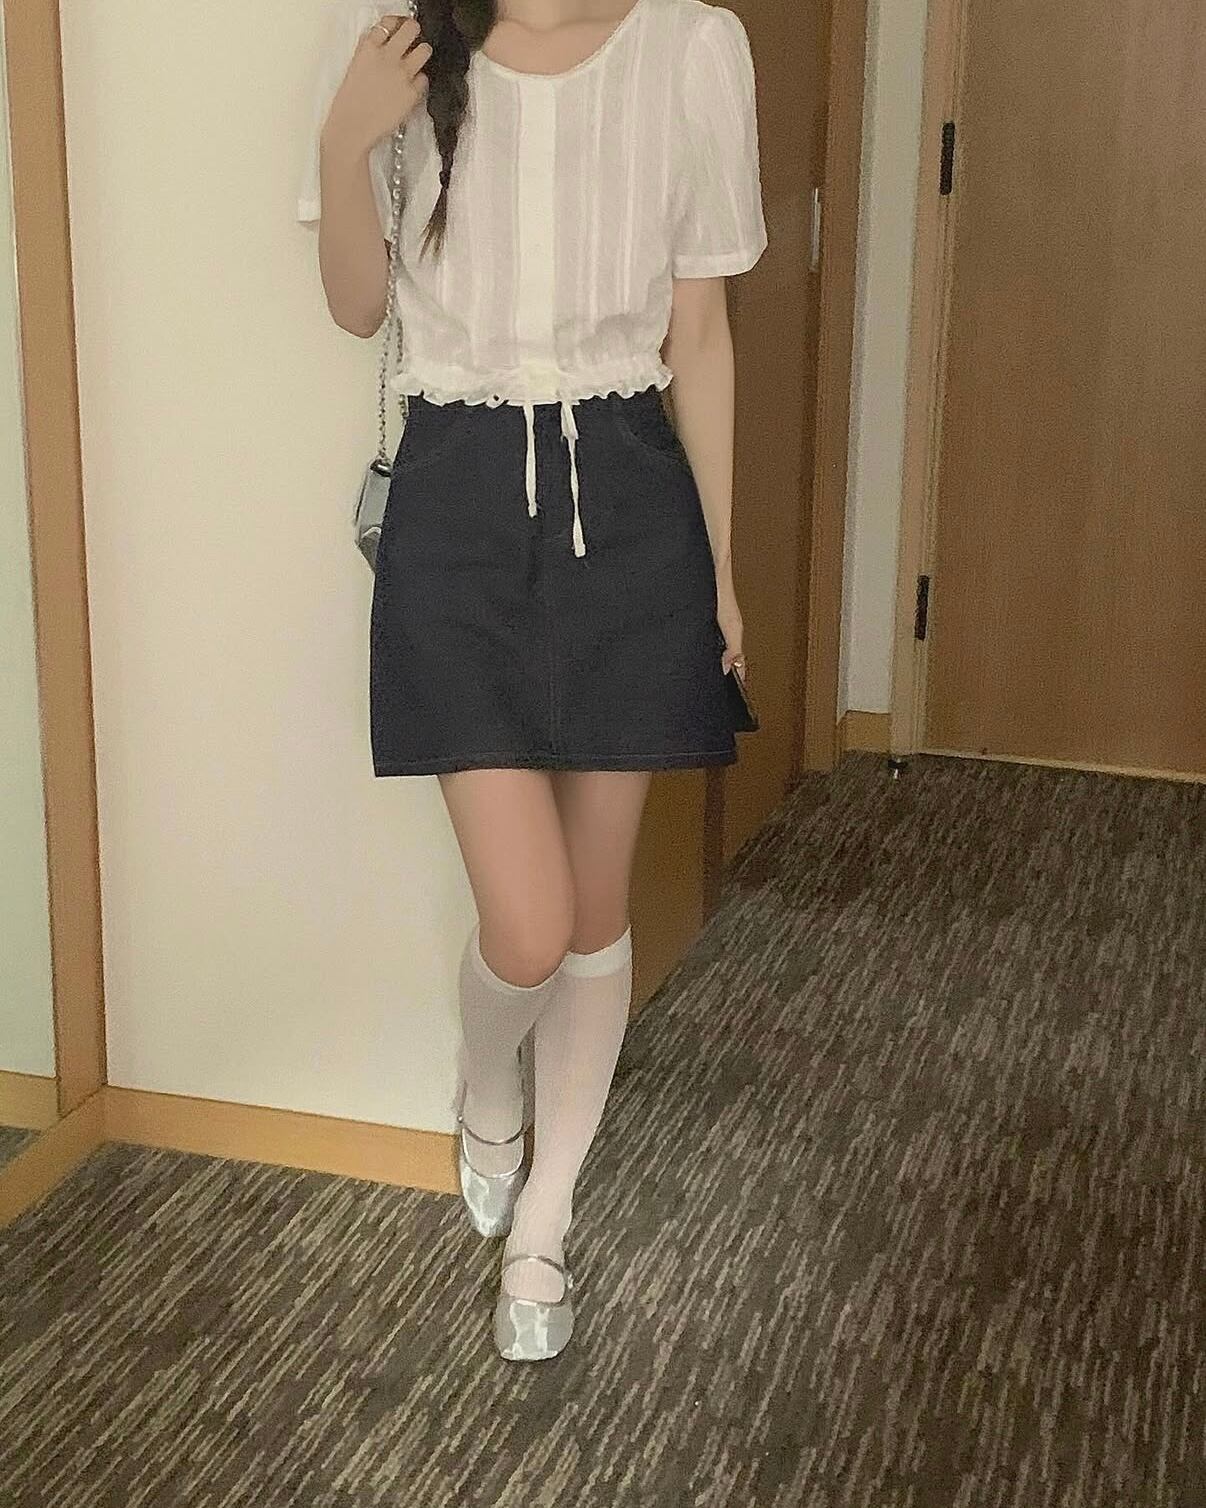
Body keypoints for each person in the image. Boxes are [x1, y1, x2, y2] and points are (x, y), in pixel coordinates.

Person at [297, 0, 766, 1361]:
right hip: (455, 496)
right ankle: (486, 1085)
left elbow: (703, 337)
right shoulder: (396, 33)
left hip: (628, 497)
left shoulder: (691, 47)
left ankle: (545, 1222)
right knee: (529, 924)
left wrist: (721, 569)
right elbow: (356, 308)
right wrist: (341, 145)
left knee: (596, 910)